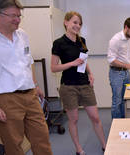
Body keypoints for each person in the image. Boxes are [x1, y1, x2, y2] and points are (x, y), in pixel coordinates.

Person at [0, 0, 53, 155]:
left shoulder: (22, 35)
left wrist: (36, 85)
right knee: (14, 145)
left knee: (42, 138)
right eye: (13, 16)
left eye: (19, 16)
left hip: (30, 96)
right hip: (6, 98)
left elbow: (28, 62)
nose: (17, 20)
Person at [51, 11, 106, 155]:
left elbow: (84, 60)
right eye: (75, 22)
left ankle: (105, 146)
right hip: (68, 86)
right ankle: (79, 149)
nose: (78, 26)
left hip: (84, 84)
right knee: (74, 120)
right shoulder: (58, 43)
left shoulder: (82, 41)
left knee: (95, 117)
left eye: (80, 23)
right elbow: (54, 68)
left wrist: (90, 73)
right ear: (66, 22)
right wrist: (72, 63)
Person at [107, 17, 130, 118]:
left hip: (126, 73)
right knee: (117, 101)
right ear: (126, 27)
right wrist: (127, 65)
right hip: (116, 73)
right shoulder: (115, 40)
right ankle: (116, 125)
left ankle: (123, 122)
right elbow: (111, 60)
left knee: (125, 99)